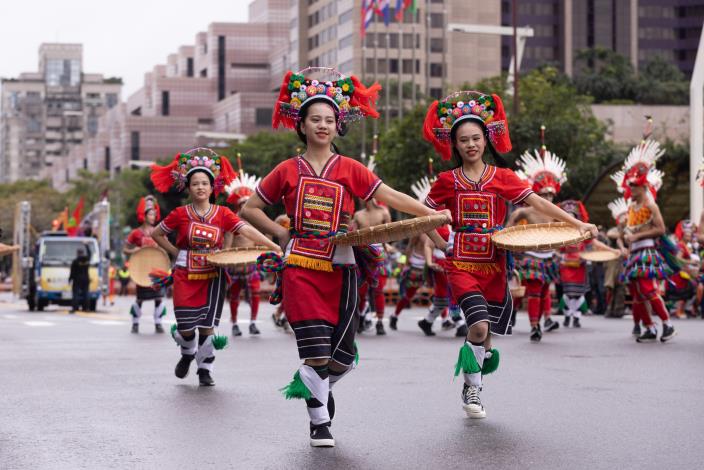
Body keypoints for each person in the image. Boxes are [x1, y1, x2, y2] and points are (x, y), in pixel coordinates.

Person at [240, 67, 448, 447]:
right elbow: (250, 209)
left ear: (339, 125)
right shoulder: (286, 170)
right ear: (301, 125)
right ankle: (319, 422)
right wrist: (281, 232)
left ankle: (316, 384)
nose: (323, 125)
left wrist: (430, 215)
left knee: (343, 358)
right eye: (315, 119)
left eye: (329, 119)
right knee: (317, 353)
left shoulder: (352, 169)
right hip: (301, 266)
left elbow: (393, 197)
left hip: (344, 266)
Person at [422, 90, 598, 419]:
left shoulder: (502, 178)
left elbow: (539, 203)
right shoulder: (446, 181)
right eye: (463, 140)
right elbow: (424, 217)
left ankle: (480, 357)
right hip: (460, 264)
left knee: (485, 333)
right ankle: (472, 389)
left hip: (495, 266)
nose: (471, 144)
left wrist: (577, 222)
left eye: (476, 138)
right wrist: (442, 242)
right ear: (454, 145)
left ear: (486, 139)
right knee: (476, 326)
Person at [150, 148, 280, 386]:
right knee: (187, 325)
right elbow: (157, 233)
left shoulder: (223, 213)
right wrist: (175, 252)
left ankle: (205, 370)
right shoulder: (179, 214)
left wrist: (273, 245)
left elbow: (246, 230)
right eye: (195, 183)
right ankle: (187, 353)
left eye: (205, 183)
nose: (200, 187)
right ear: (188, 188)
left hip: (213, 274)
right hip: (185, 273)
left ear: (212, 188)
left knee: (207, 325)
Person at [611, 139, 677, 343]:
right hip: (635, 254)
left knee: (648, 290)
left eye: (632, 185)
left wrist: (637, 237)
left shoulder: (650, 205)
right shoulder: (631, 208)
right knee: (637, 293)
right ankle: (648, 327)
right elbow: (625, 232)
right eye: (629, 185)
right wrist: (626, 247)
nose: (629, 188)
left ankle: (667, 324)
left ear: (641, 186)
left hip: (647, 251)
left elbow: (661, 229)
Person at [508, 145, 567, 341]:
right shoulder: (526, 211)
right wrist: (507, 240)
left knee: (542, 293)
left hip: (549, 258)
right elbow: (511, 223)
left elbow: (563, 232)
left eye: (551, 195)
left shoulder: (555, 213)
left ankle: (539, 322)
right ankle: (534, 326)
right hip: (532, 257)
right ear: (537, 194)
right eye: (544, 194)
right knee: (533, 292)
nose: (548, 198)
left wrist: (560, 250)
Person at [556, 200, 618, 328]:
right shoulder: (560, 234)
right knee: (568, 293)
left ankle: (576, 317)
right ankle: (568, 315)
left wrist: (612, 250)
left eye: (572, 217)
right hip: (566, 266)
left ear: (577, 219)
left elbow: (595, 244)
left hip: (580, 266)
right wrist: (560, 257)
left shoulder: (582, 233)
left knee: (578, 293)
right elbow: (555, 250)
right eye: (567, 217)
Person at [225, 171, 264, 336]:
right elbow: (226, 246)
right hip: (236, 266)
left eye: (247, 203)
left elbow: (262, 243)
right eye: (242, 204)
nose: (244, 207)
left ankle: (253, 322)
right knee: (234, 296)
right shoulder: (231, 223)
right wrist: (226, 264)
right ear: (238, 206)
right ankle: (234, 323)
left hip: (252, 265)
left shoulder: (256, 222)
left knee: (255, 294)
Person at [123, 196, 167, 334]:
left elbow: (165, 249)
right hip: (141, 271)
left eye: (154, 214)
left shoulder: (159, 232)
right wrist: (133, 250)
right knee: (140, 299)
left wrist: (162, 252)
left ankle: (158, 323)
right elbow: (125, 249)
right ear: (144, 215)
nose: (153, 216)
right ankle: (135, 323)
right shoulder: (135, 233)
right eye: (150, 214)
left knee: (159, 298)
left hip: (156, 270)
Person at [352, 199, 391, 335]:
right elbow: (353, 235)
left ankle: (380, 322)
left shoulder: (384, 213)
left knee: (378, 290)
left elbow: (390, 233)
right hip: (362, 255)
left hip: (379, 254)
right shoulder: (358, 215)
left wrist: (387, 247)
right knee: (361, 292)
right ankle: (361, 318)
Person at [69, 247, 91, 313]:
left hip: (77, 280)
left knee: (75, 294)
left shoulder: (75, 261)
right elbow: (90, 254)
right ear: (83, 253)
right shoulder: (87, 260)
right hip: (85, 279)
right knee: (86, 294)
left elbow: (72, 272)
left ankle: (74, 308)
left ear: (77, 253)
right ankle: (86, 308)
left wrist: (70, 279)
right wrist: (87, 246)